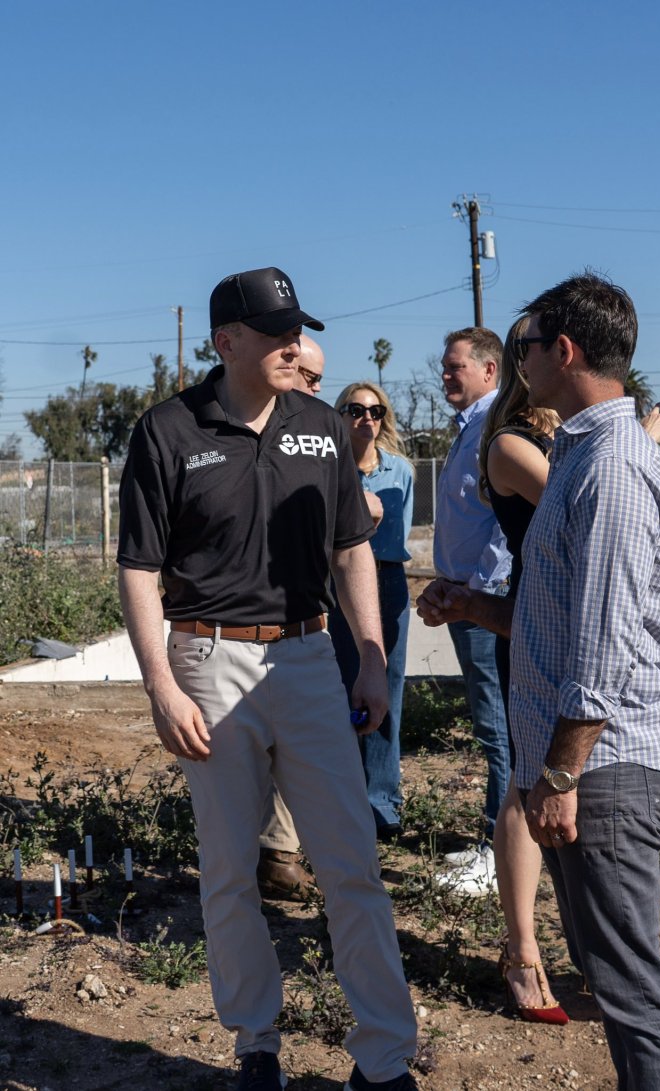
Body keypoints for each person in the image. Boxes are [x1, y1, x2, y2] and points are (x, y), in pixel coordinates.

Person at [117, 266, 418, 1091]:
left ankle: (385, 1060)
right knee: (228, 868)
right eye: (276, 332)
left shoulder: (322, 426)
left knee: (351, 860)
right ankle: (257, 1045)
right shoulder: (170, 430)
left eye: (298, 330)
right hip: (208, 661)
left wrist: (371, 656)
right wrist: (161, 688)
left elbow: (351, 547)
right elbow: (139, 569)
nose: (294, 345)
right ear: (226, 341)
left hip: (311, 658)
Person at [419, 273, 660, 1089]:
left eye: (527, 348)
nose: (518, 364)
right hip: (596, 765)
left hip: (604, 768)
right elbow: (569, 618)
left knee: (632, 990)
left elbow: (604, 645)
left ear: (564, 351)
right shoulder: (585, 455)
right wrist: (476, 604)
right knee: (615, 979)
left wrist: (562, 772)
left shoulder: (608, 465)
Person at [433, 327, 512, 895]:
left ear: (489, 370)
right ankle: (499, 841)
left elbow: (506, 529)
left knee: (498, 731)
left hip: (485, 605)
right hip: (466, 599)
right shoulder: (469, 431)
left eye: (454, 366)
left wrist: (475, 597)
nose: (445, 375)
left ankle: (500, 855)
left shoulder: (494, 432)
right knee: (494, 728)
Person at [256, 331, 329, 902]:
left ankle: (287, 851)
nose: (313, 389)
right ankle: (276, 854)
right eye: (309, 377)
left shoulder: (320, 431)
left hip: (310, 627)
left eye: (319, 380)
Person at [328, 381, 414, 840]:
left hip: (387, 580)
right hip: (340, 579)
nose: (367, 418)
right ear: (340, 416)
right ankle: (345, 795)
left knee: (387, 685)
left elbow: (398, 541)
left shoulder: (400, 471)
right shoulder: (329, 470)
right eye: (356, 409)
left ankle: (381, 800)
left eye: (376, 410)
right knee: (343, 685)